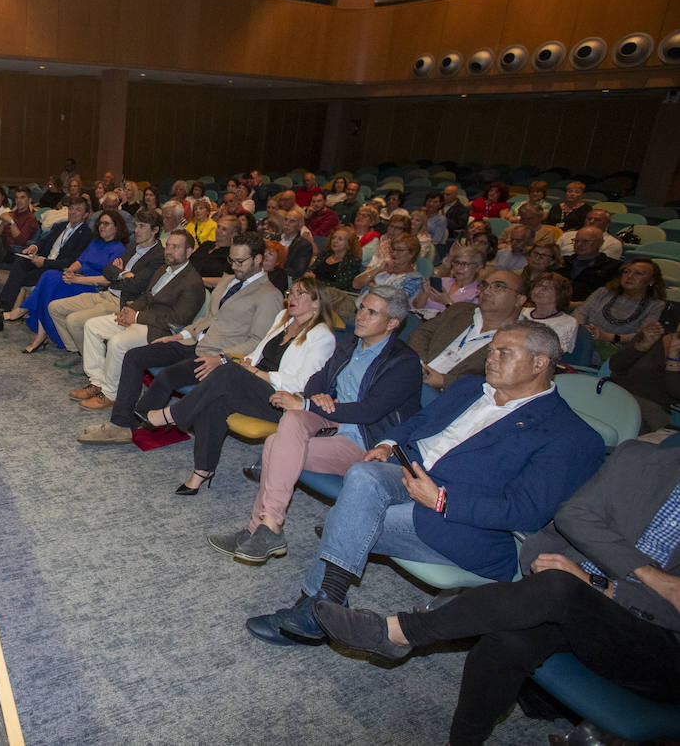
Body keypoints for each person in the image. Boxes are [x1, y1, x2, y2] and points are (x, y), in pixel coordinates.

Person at [246, 322, 606, 648]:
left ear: (540, 363)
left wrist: (442, 500)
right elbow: (420, 420)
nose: (490, 359)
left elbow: (526, 512)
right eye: (491, 349)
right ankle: (330, 594)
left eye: (503, 353)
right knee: (363, 474)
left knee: (350, 520)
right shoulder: (469, 388)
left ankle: (316, 605)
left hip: (459, 519)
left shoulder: (569, 436)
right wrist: (387, 444)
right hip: (410, 472)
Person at [313, 439, 680, 746]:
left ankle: (401, 632)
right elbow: (573, 516)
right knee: (508, 639)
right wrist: (650, 576)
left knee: (558, 588)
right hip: (574, 598)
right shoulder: (641, 457)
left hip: (660, 645)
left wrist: (601, 586)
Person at [209, 286, 422, 563]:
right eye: (361, 309)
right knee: (293, 418)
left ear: (392, 323)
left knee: (275, 443)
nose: (360, 317)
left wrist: (309, 404)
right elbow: (316, 381)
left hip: (365, 441)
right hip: (334, 419)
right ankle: (269, 525)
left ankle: (259, 528)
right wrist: (315, 396)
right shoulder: (350, 346)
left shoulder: (403, 363)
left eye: (372, 312)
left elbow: (371, 411)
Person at [143, 278, 336, 493]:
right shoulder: (284, 318)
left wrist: (258, 373)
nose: (293, 297)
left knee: (227, 371)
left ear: (317, 303)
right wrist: (249, 362)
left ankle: (173, 415)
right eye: (292, 292)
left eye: (301, 294)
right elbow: (260, 350)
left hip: (282, 399)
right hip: (253, 384)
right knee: (216, 399)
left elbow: (304, 383)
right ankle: (202, 470)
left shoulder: (321, 336)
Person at [90, 233, 285, 438]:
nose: (234, 266)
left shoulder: (269, 295)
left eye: (240, 261)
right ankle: (123, 421)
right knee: (134, 356)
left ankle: (130, 426)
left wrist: (222, 359)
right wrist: (180, 335)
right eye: (231, 260)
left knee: (166, 377)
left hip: (217, 356)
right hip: (194, 341)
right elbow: (210, 317)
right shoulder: (229, 279)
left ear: (258, 259)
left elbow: (258, 342)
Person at [71, 229, 207, 419]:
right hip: (141, 318)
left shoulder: (193, 282)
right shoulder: (163, 270)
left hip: (159, 330)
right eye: (168, 245)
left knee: (118, 342)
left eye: (176, 247)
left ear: (189, 251)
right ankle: (98, 382)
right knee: (92, 326)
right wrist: (129, 310)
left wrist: (136, 316)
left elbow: (178, 319)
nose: (168, 251)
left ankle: (110, 394)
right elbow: (147, 296)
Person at [47, 210, 164, 355]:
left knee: (73, 320)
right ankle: (77, 351)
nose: (136, 230)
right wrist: (124, 274)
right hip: (106, 293)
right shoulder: (133, 246)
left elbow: (137, 285)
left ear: (155, 230)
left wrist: (118, 273)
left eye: (142, 226)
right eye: (136, 225)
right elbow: (108, 269)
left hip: (122, 301)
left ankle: (89, 359)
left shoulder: (159, 256)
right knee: (54, 307)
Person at [13, 210, 125, 353]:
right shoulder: (96, 242)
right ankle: (40, 333)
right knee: (50, 276)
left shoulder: (119, 249)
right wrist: (70, 271)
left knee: (52, 281)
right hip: (77, 278)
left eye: (106, 224)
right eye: (100, 223)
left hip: (92, 287)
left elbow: (107, 280)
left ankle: (27, 314)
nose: (101, 226)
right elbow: (80, 260)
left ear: (117, 227)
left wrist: (77, 279)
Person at [410, 269, 527, 394]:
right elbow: (422, 333)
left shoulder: (522, 340)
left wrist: (445, 381)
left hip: (448, 397)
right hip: (412, 375)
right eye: (485, 285)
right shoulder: (460, 309)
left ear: (519, 299)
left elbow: (501, 384)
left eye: (498, 287)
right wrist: (420, 364)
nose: (486, 291)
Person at [0, 196, 93, 321]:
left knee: (19, 276)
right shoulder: (61, 226)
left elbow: (71, 261)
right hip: (42, 261)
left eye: (78, 210)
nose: (73, 212)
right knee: (20, 262)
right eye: (71, 208)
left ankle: (6, 310)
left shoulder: (86, 234)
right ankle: (4, 308)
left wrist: (45, 262)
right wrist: (34, 247)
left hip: (55, 268)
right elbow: (43, 242)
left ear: (86, 214)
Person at [573, 257, 666, 347]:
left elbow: (643, 335)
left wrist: (609, 336)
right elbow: (580, 313)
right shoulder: (603, 292)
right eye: (626, 272)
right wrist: (583, 329)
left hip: (618, 350)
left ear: (652, 281)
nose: (629, 276)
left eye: (638, 273)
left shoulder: (656, 305)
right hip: (582, 339)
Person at [607, 320, 680, 431]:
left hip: (648, 409)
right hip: (615, 394)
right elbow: (615, 365)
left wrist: (673, 358)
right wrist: (642, 346)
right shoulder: (654, 334)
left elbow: (676, 392)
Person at [414, 241, 485, 317]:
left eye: (464, 264)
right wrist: (424, 294)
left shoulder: (477, 294)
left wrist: (447, 302)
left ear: (478, 267)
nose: (458, 267)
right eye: (456, 262)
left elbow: (466, 321)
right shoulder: (443, 281)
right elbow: (416, 306)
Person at [557, 225, 622, 302]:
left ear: (600, 243)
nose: (579, 245)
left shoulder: (612, 267)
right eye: (576, 241)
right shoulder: (562, 262)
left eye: (586, 241)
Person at [353, 233, 424, 303]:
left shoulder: (415, 278)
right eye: (393, 249)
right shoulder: (384, 267)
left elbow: (396, 301)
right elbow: (356, 284)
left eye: (400, 250)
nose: (394, 253)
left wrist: (372, 285)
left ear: (412, 254)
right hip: (360, 306)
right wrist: (378, 270)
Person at [521, 271, 578, 353]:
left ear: (560, 294)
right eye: (537, 286)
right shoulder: (522, 311)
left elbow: (555, 352)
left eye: (545, 288)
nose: (539, 291)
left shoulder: (568, 321)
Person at [310, 225, 363, 293]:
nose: (335, 241)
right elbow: (311, 270)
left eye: (340, 239)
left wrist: (316, 280)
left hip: (333, 295)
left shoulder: (352, 261)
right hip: (313, 289)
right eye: (333, 238)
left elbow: (342, 285)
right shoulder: (325, 254)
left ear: (349, 244)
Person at [557, 208, 624, 260]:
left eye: (597, 220)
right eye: (589, 219)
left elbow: (605, 266)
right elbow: (554, 254)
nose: (591, 221)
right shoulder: (567, 235)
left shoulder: (613, 243)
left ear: (607, 223)